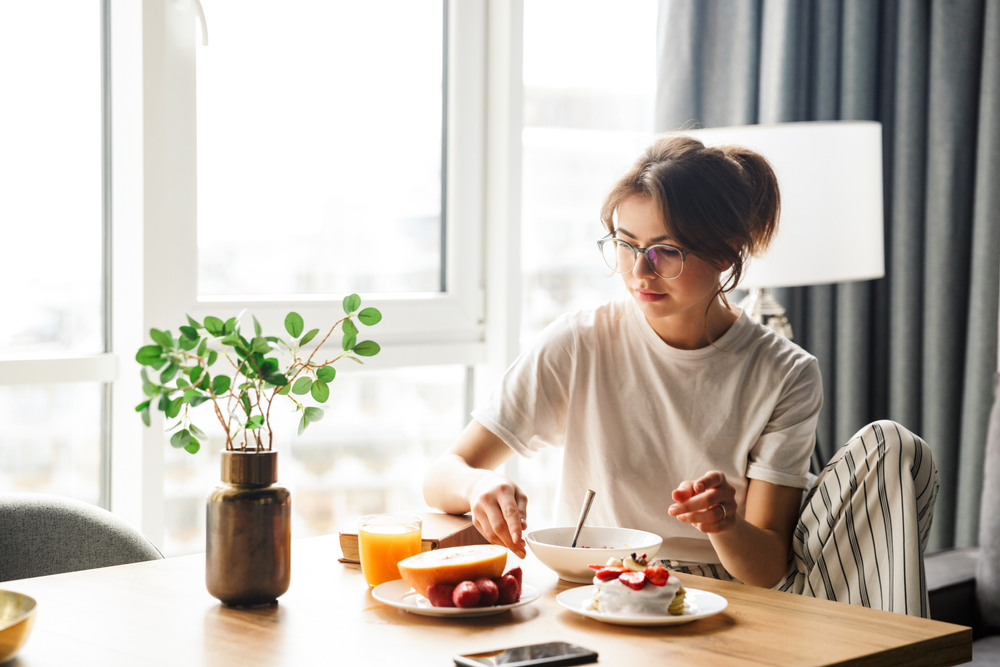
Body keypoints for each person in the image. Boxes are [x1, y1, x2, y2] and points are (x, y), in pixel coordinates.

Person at [423, 134, 938, 616]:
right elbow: (442, 475)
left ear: (726, 252)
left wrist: (725, 523)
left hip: (725, 599)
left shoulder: (786, 373)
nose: (639, 271)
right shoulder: (580, 342)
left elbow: (764, 570)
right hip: (601, 586)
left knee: (895, 447)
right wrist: (478, 486)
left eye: (667, 251)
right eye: (626, 244)